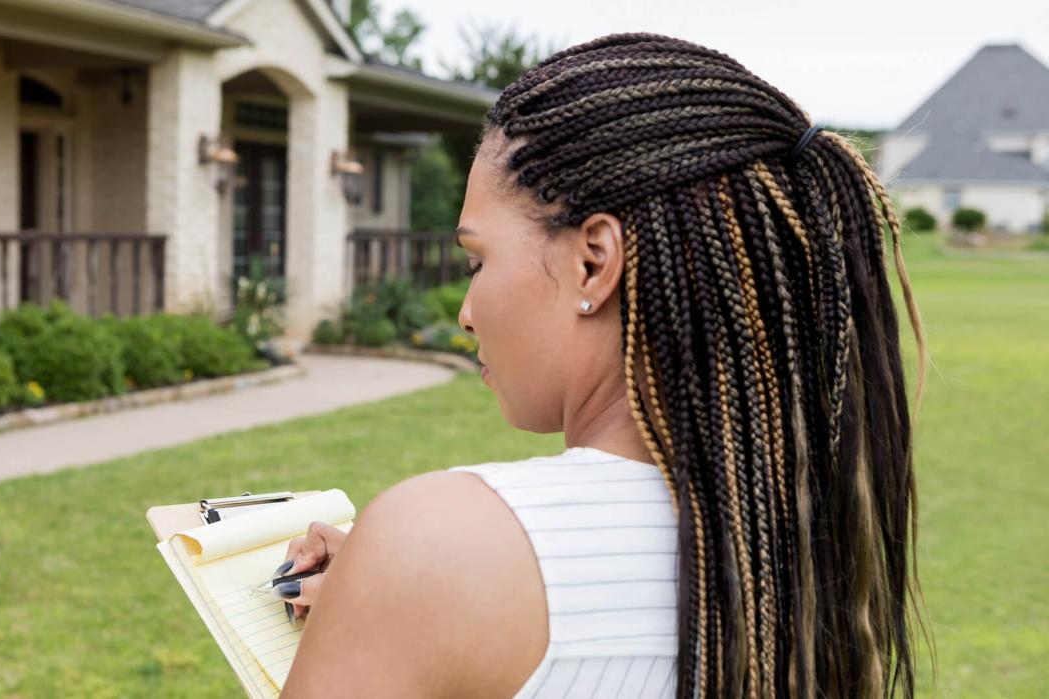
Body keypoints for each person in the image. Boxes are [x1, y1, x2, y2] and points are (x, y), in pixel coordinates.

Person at [275, 32, 933, 698]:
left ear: (594, 260)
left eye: (477, 261)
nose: (466, 312)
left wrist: (379, 601)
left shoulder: (428, 545)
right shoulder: (799, 548)